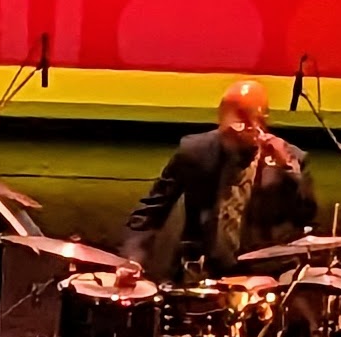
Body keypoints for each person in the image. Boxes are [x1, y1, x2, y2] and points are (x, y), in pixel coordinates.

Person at [122, 79, 318, 281]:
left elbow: (305, 215)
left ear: (261, 123)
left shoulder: (292, 159)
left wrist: (287, 169)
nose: (232, 137)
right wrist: (133, 260)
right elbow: (150, 212)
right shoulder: (196, 151)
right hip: (201, 272)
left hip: (262, 275)